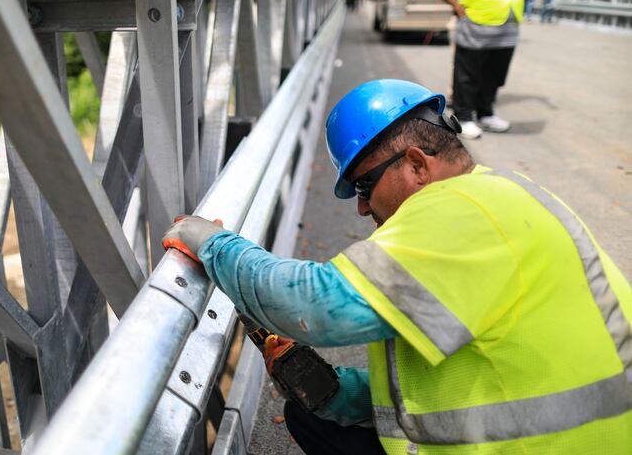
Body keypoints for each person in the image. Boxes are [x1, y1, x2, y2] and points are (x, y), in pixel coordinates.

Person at [163, 79, 632, 455]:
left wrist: (210, 242)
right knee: (313, 415)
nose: (363, 209)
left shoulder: (464, 210)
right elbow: (471, 375)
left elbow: (314, 306)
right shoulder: (498, 196)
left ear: (415, 164)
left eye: (364, 185)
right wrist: (336, 393)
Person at [432, 0, 540, 139]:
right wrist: (456, 5)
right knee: (467, 76)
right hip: (475, 30)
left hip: (506, 31)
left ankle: (486, 113)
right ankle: (464, 117)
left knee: (494, 76)